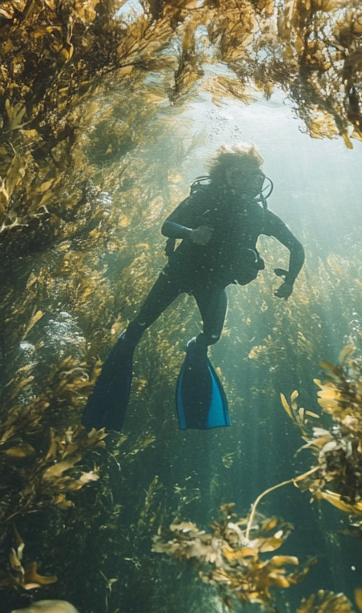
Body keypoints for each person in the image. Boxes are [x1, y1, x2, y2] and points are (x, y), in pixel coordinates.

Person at [82, 143, 305, 432]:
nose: (249, 184)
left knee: (211, 336)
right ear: (223, 175)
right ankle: (119, 370)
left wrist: (290, 281)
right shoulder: (203, 200)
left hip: (212, 284)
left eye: (255, 178)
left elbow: (295, 247)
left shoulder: (257, 215)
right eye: (240, 176)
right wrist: (190, 233)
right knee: (138, 326)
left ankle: (194, 350)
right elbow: (168, 225)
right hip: (179, 273)